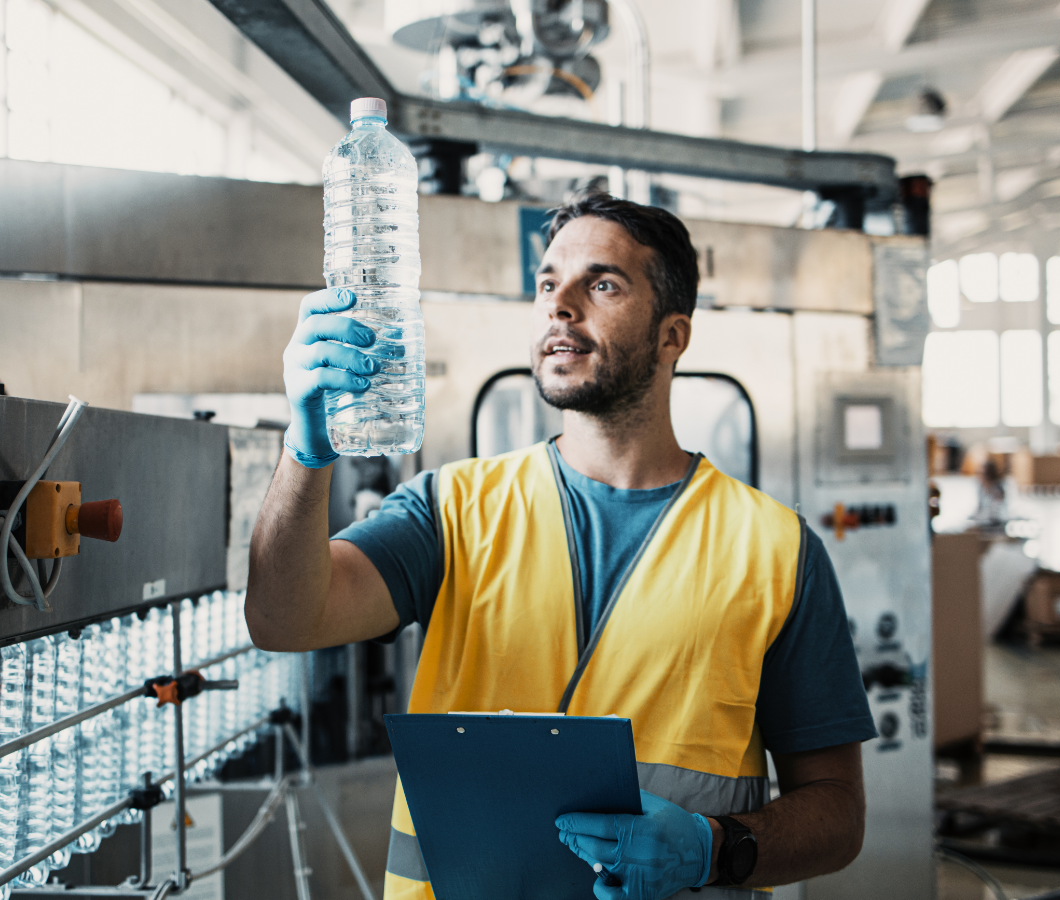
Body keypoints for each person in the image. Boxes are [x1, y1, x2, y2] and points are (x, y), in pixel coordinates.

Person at [248, 192, 876, 900]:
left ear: (673, 336)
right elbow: (283, 619)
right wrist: (305, 451)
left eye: (601, 284)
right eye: (548, 284)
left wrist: (713, 850)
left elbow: (837, 814)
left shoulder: (776, 550)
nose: (560, 305)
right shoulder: (450, 510)